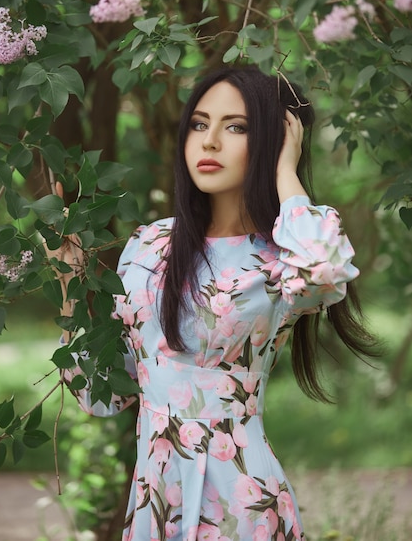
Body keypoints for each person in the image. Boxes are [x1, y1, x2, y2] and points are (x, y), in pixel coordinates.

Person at [53, 65, 377, 541]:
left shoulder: (280, 257)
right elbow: (100, 392)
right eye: (200, 124)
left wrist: (286, 170)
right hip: (154, 504)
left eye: (237, 127)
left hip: (240, 503)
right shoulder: (149, 246)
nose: (209, 142)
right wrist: (69, 282)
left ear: (273, 139)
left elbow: (324, 273)